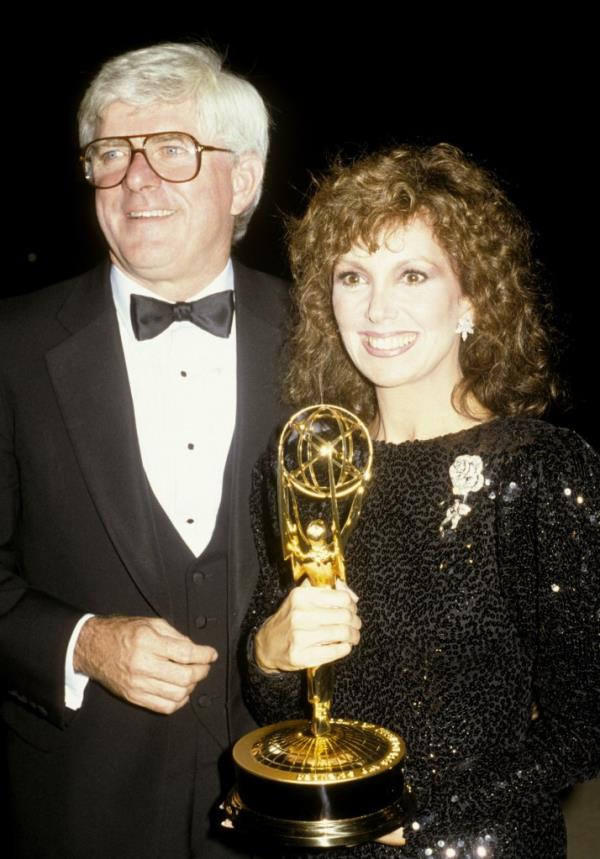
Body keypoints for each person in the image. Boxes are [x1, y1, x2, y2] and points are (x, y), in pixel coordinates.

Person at [243, 144, 600, 858]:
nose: (378, 307)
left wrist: (419, 815)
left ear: (471, 297)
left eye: (413, 273)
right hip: (322, 840)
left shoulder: (538, 470)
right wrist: (270, 654)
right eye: (353, 275)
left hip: (479, 843)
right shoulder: (303, 465)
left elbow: (582, 726)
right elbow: (277, 701)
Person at [0, 42, 288, 858]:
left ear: (244, 179)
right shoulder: (11, 346)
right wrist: (83, 642)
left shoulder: (326, 340)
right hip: (79, 804)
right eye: (112, 154)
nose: (135, 179)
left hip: (284, 808)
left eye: (172, 150)